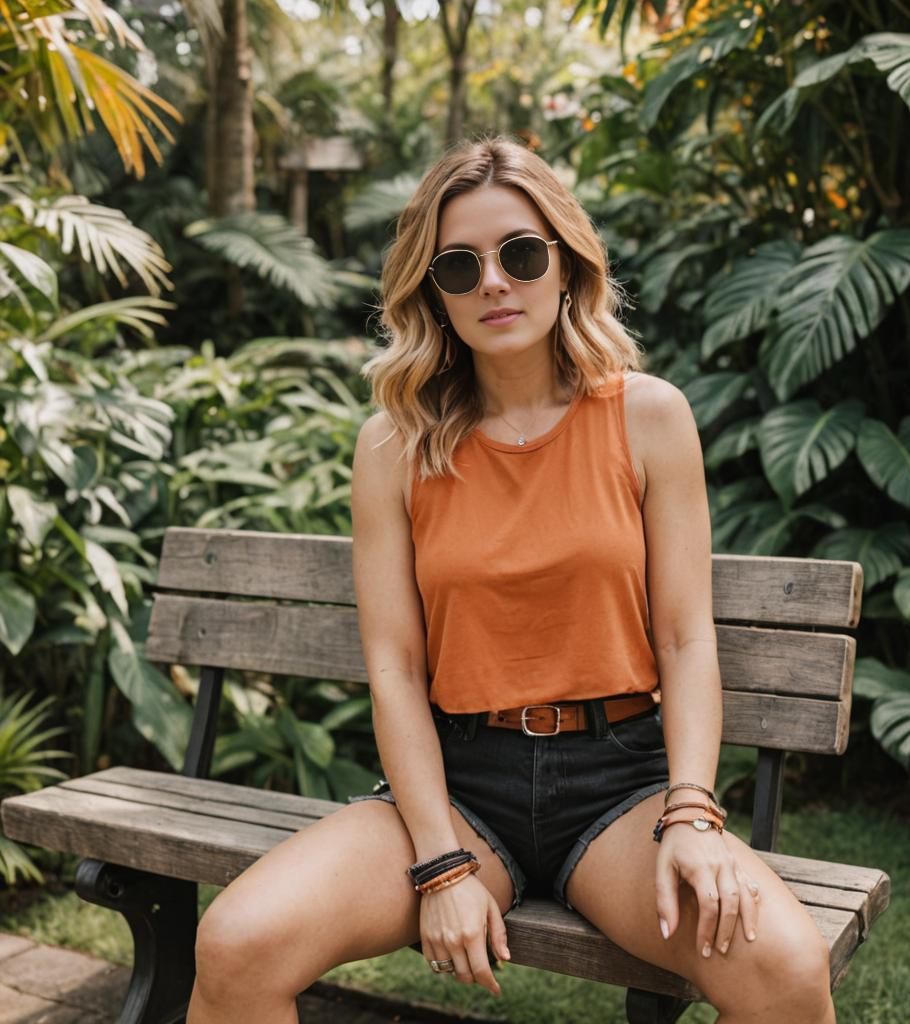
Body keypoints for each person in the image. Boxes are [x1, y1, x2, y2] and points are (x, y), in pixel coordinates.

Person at [187, 135, 836, 1024]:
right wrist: (441, 863)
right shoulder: (394, 446)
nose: (494, 281)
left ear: (566, 267)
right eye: (460, 266)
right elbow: (396, 670)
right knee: (237, 943)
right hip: (459, 784)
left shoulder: (647, 418)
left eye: (521, 254)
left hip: (622, 788)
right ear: (433, 292)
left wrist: (691, 812)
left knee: (787, 973)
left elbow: (686, 640)